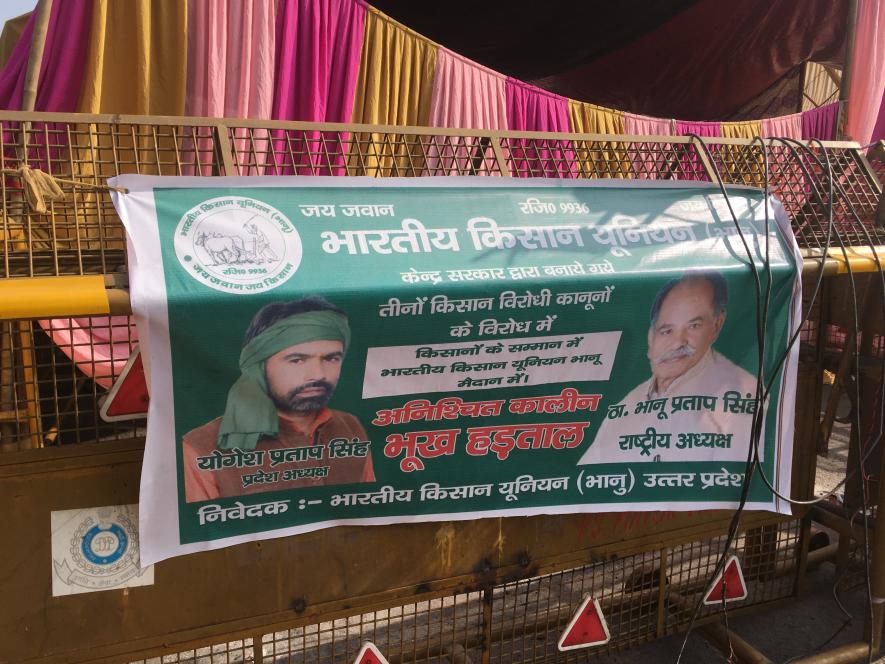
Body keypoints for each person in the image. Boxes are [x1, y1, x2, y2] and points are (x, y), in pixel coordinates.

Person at [183, 296, 374, 502]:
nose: (318, 374)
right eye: (297, 360)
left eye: (331, 358)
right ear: (259, 365)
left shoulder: (350, 427)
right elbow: (204, 526)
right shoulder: (201, 447)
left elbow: (366, 508)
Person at [577, 271, 758, 465]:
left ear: (717, 324)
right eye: (667, 331)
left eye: (694, 326)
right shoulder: (627, 406)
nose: (677, 344)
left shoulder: (743, 397)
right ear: (651, 336)